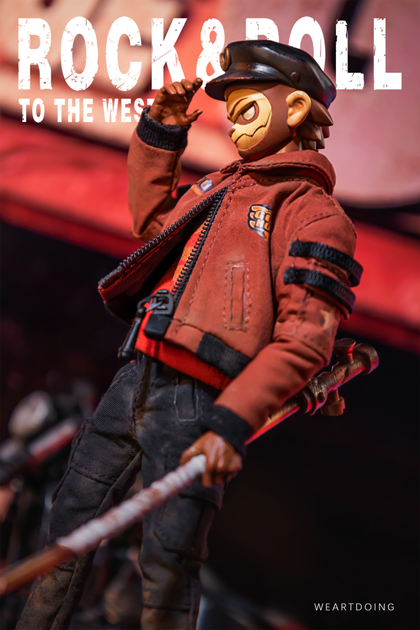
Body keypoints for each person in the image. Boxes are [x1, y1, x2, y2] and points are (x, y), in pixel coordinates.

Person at [17, 40, 361, 630]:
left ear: (298, 108)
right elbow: (154, 226)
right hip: (136, 376)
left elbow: (306, 338)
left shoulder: (315, 217)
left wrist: (231, 422)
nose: (233, 123)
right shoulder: (219, 187)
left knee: (168, 556)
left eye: (247, 109)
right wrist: (162, 133)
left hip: (198, 400)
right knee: (68, 525)